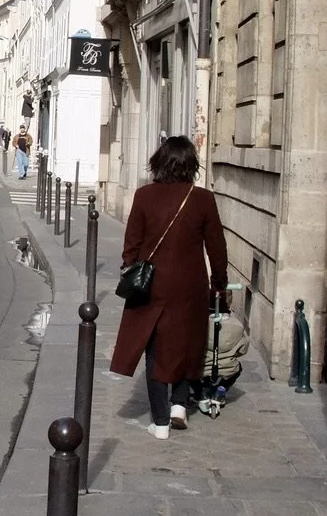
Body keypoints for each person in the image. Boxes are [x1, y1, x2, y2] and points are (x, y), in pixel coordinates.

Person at [109, 135, 228, 440]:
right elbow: (217, 248)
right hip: (191, 285)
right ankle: (179, 406)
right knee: (189, 343)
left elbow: (131, 244)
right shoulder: (202, 199)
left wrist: (130, 267)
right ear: (191, 164)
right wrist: (219, 285)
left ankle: (160, 421)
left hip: (154, 283)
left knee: (156, 348)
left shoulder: (145, 196)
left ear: (159, 162)